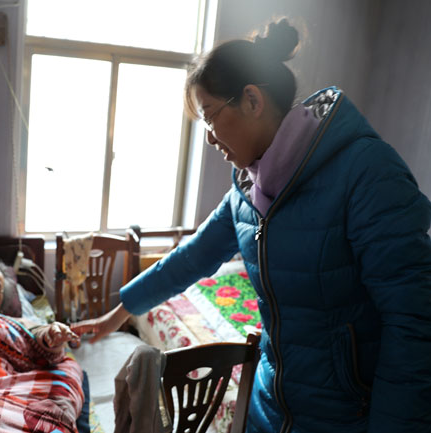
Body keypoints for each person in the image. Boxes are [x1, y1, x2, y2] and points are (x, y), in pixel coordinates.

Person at [71, 18, 431, 433]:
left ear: (252, 100)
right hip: (268, 405)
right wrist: (117, 314)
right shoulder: (248, 189)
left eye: (209, 116)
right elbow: (191, 258)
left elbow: (414, 321)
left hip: (343, 416)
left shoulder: (366, 171)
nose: (209, 138)